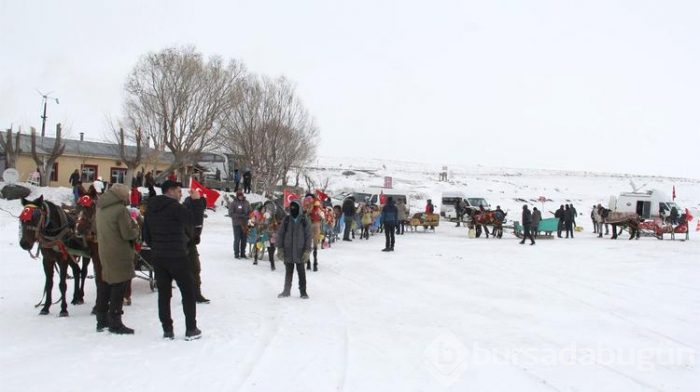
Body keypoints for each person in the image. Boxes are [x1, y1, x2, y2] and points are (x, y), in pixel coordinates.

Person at [143, 180, 201, 340]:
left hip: (158, 257)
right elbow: (194, 221)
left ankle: (167, 329)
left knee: (164, 294)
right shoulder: (175, 207)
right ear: (170, 191)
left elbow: (146, 236)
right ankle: (191, 329)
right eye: (178, 190)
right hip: (177, 256)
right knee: (188, 291)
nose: (181, 193)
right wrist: (197, 201)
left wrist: (158, 247)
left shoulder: (151, 208)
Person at [95, 183, 140, 334]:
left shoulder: (101, 208)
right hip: (119, 253)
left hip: (105, 250)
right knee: (119, 287)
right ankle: (115, 322)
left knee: (105, 284)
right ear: (121, 196)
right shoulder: (120, 210)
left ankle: (101, 320)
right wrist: (136, 228)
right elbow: (127, 233)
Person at [277, 200, 311, 299]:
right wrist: (280, 248)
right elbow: (281, 234)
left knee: (301, 272)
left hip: (300, 251)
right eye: (291, 207)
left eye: (295, 207)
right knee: (288, 272)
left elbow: (308, 236)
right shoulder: (286, 220)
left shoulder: (304, 220)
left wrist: (307, 251)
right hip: (288, 250)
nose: (293, 209)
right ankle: (286, 291)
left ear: (299, 208)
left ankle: (303, 292)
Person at [184, 188, 210, 304]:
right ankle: (189, 294)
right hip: (183, 242)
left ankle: (196, 294)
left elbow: (198, 217)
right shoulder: (187, 205)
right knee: (187, 270)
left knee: (195, 268)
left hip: (191, 241)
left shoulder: (197, 205)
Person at [228, 190, 251, 259]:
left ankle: (243, 253)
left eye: (241, 196)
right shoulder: (233, 203)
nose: (241, 197)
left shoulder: (247, 203)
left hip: (245, 224)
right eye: (239, 196)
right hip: (236, 224)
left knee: (244, 239)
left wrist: (248, 216)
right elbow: (231, 213)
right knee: (237, 239)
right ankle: (236, 253)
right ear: (237, 196)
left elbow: (250, 211)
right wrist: (240, 216)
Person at [307, 199, 323, 271]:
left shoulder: (318, 209)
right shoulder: (309, 206)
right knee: (310, 245)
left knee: (313, 246)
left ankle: (313, 262)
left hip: (315, 225)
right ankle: (310, 262)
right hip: (312, 225)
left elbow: (322, 217)